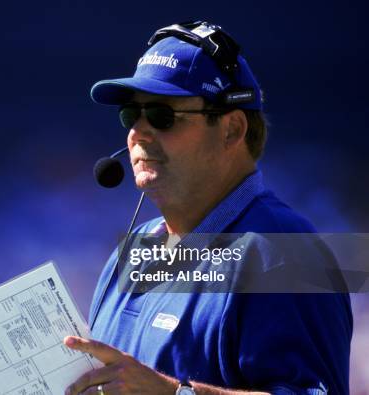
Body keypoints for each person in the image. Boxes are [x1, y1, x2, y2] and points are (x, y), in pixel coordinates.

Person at [64, 22, 352, 395]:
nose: (138, 132)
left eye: (163, 115)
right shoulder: (132, 250)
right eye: (130, 114)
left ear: (232, 129)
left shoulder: (287, 253)